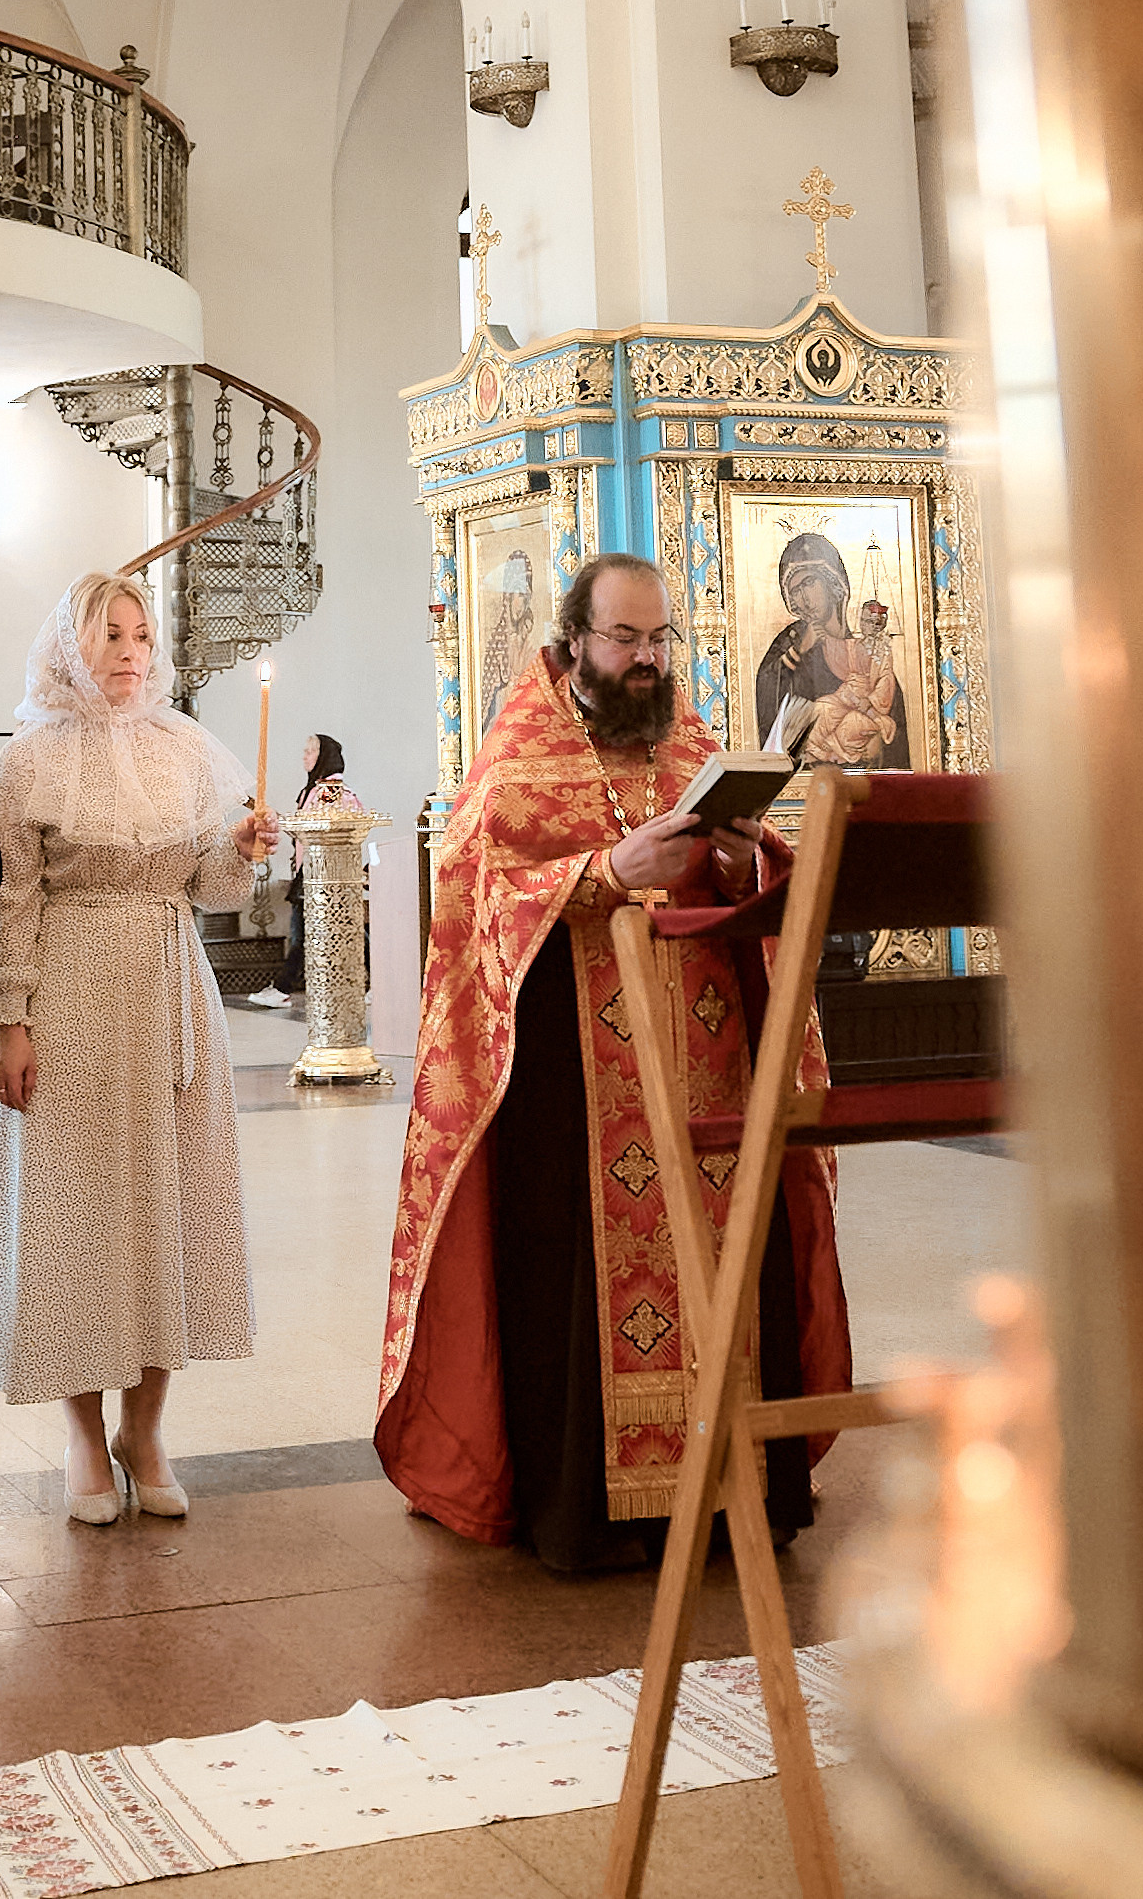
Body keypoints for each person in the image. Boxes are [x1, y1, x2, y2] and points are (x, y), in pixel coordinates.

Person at [376, 552, 850, 1571]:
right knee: (584, 1283)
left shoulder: (692, 745)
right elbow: (473, 900)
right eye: (625, 640)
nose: (646, 660)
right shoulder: (516, 753)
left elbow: (757, 870)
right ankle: (597, 1509)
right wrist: (600, 874)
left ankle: (733, 1493)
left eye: (659, 640)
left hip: (712, 1066)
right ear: (574, 641)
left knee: (727, 1266)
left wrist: (737, 857)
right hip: (577, 1088)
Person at [0, 572, 279, 1522]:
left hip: (170, 990)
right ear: (72, 647)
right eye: (110, 636)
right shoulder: (30, 759)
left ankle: (146, 1429)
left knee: (166, 1210)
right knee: (78, 1216)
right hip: (69, 993)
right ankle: (81, 1433)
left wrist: (244, 849)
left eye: (142, 635)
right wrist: (9, 1018)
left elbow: (212, 889)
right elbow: (14, 898)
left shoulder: (185, 748)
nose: (131, 653)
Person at [753, 531, 910, 768]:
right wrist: (799, 652)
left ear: (832, 582)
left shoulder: (866, 648)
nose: (804, 597)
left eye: (808, 583)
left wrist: (879, 737)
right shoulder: (792, 639)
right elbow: (768, 690)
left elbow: (891, 716)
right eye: (796, 591)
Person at [249, 732, 344, 1009]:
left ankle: (282, 987)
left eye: (310, 751)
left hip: (321, 870)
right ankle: (282, 987)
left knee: (305, 932)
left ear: (323, 756)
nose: (304, 756)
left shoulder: (330, 789)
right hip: (308, 870)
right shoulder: (312, 789)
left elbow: (321, 826)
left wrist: (283, 822)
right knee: (328, 928)